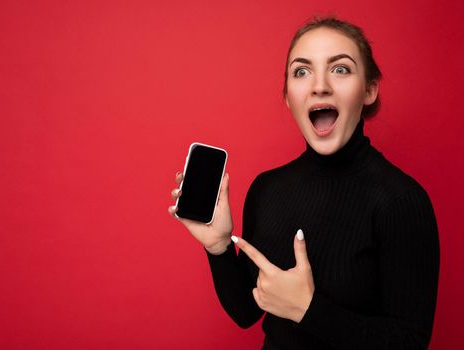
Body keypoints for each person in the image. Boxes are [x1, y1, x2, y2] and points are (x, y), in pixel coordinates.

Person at [169, 16, 440, 350]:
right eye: (302, 71)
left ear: (369, 90)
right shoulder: (267, 189)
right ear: (288, 97)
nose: (319, 85)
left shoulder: (401, 200)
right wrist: (218, 246)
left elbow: (410, 342)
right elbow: (245, 311)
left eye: (340, 69)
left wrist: (309, 310)